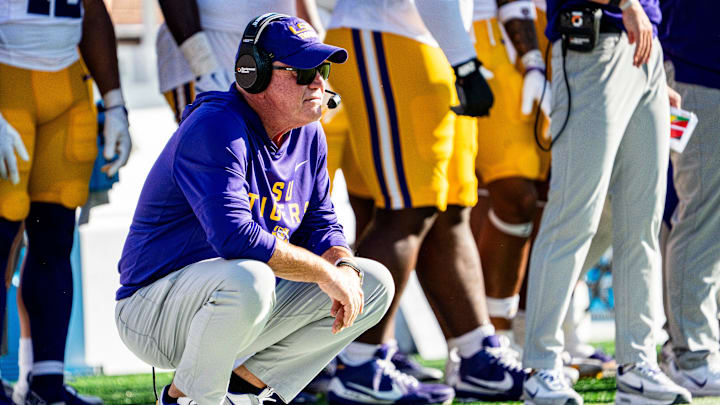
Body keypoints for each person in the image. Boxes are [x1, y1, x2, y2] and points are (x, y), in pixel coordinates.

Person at [115, 14, 393, 405]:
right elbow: (236, 238)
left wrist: (342, 267)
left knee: (374, 282)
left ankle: (243, 393)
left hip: (233, 300)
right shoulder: (215, 125)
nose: (318, 82)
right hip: (153, 312)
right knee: (250, 277)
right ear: (253, 74)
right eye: (302, 71)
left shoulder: (310, 133)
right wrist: (325, 274)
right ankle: (188, 399)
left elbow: (320, 223)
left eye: (322, 68)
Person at [323, 1, 531, 403]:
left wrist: (461, 57)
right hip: (388, 34)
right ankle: (358, 362)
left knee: (451, 209)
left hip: (435, 41)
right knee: (406, 209)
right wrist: (466, 63)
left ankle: (476, 354)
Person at [520, 0, 692, 403]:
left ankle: (637, 364)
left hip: (641, 51)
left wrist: (649, 70)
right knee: (572, 218)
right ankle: (540, 365)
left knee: (642, 225)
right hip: (591, 45)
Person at [0, 1, 131, 404]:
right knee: (1, 238)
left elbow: (92, 11)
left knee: (55, 240)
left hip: (67, 83)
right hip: (7, 79)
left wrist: (115, 103)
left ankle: (46, 384)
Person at [658, 0, 720, 397]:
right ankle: (690, 354)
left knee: (697, 212)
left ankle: (688, 346)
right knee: (699, 214)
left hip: (697, 64)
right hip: (696, 69)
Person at [156, 0, 324, 123]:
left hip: (277, 51)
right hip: (209, 45)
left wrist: (313, 46)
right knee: (214, 152)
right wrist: (202, 64)